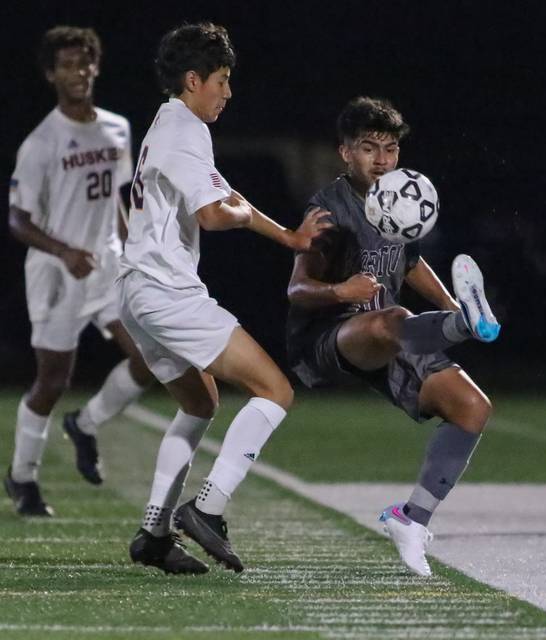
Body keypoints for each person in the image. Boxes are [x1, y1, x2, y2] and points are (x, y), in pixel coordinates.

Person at [119, 23, 330, 575]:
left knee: (200, 403)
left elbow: (223, 193)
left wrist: (288, 236)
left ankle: (154, 533)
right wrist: (236, 213)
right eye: (222, 80)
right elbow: (216, 214)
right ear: (194, 80)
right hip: (166, 291)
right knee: (274, 389)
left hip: (136, 291)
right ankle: (208, 509)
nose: (228, 92)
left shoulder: (169, 121)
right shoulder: (186, 128)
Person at [286, 96, 501, 577]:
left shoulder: (398, 197)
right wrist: (342, 289)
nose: (382, 160)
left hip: (393, 337)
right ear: (345, 152)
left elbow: (411, 263)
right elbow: (297, 288)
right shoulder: (327, 208)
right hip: (329, 338)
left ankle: (411, 519)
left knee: (472, 409)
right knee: (391, 318)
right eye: (369, 148)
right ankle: (465, 324)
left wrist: (447, 303)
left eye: (390, 149)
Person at [5, 26, 154, 516]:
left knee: (148, 357)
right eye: (68, 64)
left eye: (85, 62)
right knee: (52, 380)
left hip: (107, 265)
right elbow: (18, 220)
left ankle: (85, 425)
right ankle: (22, 477)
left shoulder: (116, 127)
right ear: (51, 74)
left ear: (96, 66)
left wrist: (132, 246)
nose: (79, 72)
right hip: (56, 274)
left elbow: (116, 196)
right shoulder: (41, 143)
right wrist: (65, 250)